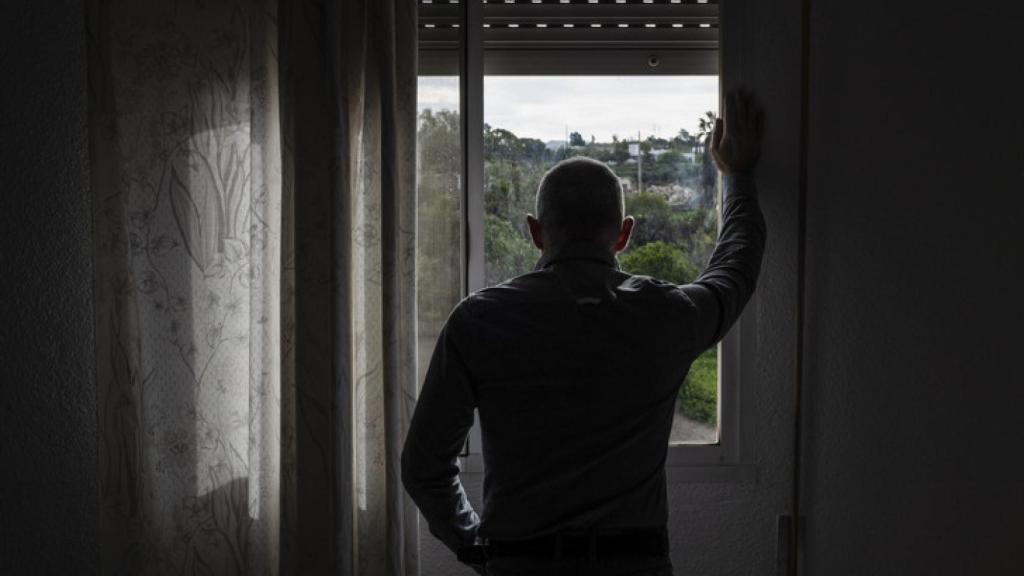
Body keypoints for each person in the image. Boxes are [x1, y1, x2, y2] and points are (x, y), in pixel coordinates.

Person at [402, 90, 766, 576]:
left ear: (535, 231)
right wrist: (738, 178)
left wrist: (477, 546)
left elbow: (424, 468)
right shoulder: (667, 315)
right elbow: (734, 269)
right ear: (624, 233)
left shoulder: (480, 319)